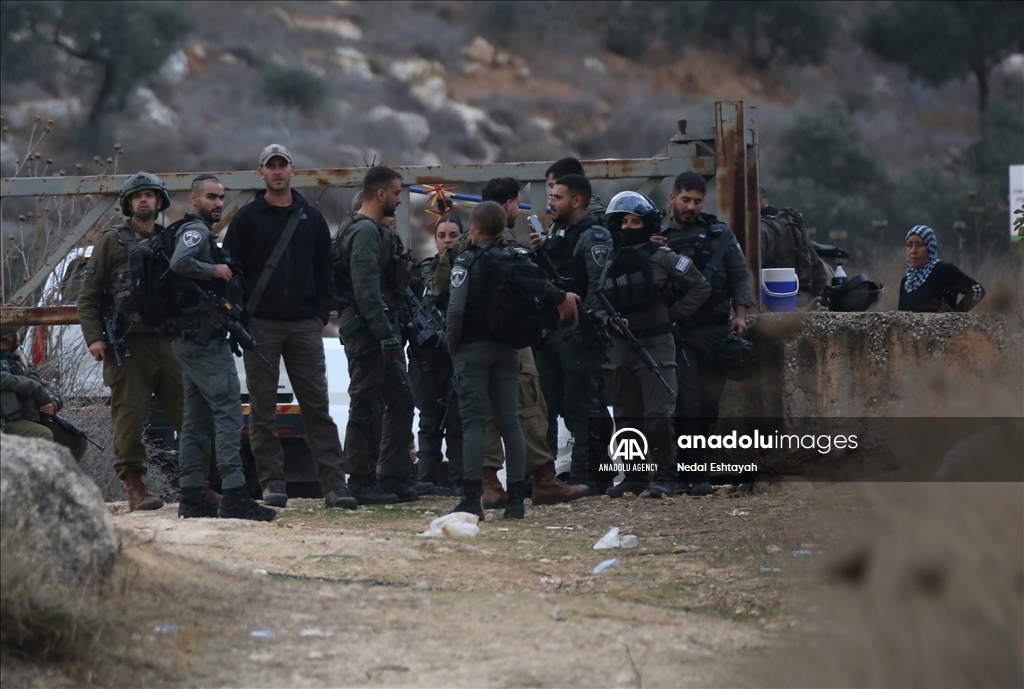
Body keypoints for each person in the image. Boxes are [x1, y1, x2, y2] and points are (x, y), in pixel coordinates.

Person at [223, 144, 354, 510]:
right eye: (272, 166)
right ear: (261, 172)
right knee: (262, 410)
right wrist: (241, 315)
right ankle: (272, 484)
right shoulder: (247, 219)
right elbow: (231, 268)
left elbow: (324, 269)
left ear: (293, 170)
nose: (278, 171)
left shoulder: (311, 218)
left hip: (304, 325)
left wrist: (319, 315)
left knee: (317, 407)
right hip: (261, 325)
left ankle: (335, 486)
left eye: (283, 165)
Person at [168, 175, 276, 521]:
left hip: (192, 340)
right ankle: (234, 495)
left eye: (221, 198)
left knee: (195, 419)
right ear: (194, 199)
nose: (218, 203)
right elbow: (180, 263)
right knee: (228, 412)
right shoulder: (195, 232)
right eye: (211, 197)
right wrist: (213, 269)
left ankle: (191, 495)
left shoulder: (198, 231)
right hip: (203, 342)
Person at [477, 177, 589, 507]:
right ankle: (543, 479)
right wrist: (559, 296)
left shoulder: (467, 247)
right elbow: (527, 278)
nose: (518, 210)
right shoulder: (505, 245)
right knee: (529, 403)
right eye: (516, 204)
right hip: (511, 336)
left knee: (485, 409)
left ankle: (490, 483)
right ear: (508, 205)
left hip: (477, 339)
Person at [76, 172, 184, 511]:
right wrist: (95, 338)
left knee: (191, 415)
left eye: (150, 195)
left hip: (168, 342)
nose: (144, 200)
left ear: (159, 201)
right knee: (129, 419)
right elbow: (88, 297)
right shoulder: (112, 241)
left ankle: (199, 485)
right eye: (138, 196)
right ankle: (135, 488)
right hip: (129, 345)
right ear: (128, 203)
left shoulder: (169, 239)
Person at [598, 192, 711, 498]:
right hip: (620, 345)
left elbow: (700, 287)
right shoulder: (608, 261)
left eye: (635, 222)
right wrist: (607, 320)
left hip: (656, 343)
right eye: (623, 221)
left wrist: (673, 315)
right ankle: (634, 476)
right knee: (626, 416)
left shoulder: (662, 257)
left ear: (647, 224)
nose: (628, 227)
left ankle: (666, 475)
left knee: (658, 416)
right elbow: (594, 299)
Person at [333, 165, 420, 504]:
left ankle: (392, 475)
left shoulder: (373, 230)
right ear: (380, 194)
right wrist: (385, 335)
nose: (399, 200)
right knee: (365, 403)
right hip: (367, 330)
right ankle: (361, 479)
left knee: (401, 399)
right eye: (396, 193)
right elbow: (366, 289)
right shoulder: (364, 232)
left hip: (379, 328)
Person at [661, 172, 752, 496]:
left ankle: (697, 470)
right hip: (679, 332)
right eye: (686, 200)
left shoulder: (719, 234)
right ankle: (690, 474)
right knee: (687, 404)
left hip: (715, 330)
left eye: (697, 201)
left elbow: (739, 276)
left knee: (709, 405)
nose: (691, 207)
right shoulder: (660, 236)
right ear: (673, 198)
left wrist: (740, 315)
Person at [445, 202, 529, 519]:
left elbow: (456, 309)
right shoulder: (516, 258)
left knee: (474, 424)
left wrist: (452, 344)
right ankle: (517, 500)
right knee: (511, 422)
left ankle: (471, 499)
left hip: (472, 348)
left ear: (475, 227)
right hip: (508, 349)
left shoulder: (466, 260)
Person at [534, 174, 614, 490]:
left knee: (583, 408)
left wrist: (585, 326)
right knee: (547, 406)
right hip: (551, 332)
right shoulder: (558, 235)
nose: (550, 203)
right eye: (551, 196)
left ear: (577, 201)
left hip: (578, 333)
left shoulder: (593, 235)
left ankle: (586, 475)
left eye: (557, 197)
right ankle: (546, 477)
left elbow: (597, 287)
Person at [409, 214, 465, 496]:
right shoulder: (423, 271)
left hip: (458, 353)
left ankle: (458, 480)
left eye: (453, 236)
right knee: (429, 419)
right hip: (428, 356)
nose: (447, 241)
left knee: (457, 419)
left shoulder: (467, 268)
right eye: (442, 236)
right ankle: (426, 478)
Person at [1, 325, 88, 461]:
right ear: (6, 337)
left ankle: (61, 475)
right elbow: (6, 380)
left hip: (29, 417)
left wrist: (53, 402)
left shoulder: (17, 359)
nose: (18, 336)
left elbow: (39, 383)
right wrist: (36, 390)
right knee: (42, 435)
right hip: (7, 422)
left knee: (76, 439)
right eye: (15, 333)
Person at [758, 186, 828, 305]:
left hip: (770, 300)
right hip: (802, 298)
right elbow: (817, 268)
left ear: (758, 199)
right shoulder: (793, 223)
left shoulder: (758, 230)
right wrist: (814, 300)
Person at [898, 225, 985, 313]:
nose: (913, 251)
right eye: (909, 245)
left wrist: (954, 315)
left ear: (930, 248)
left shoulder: (942, 271)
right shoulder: (907, 281)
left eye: (919, 245)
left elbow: (977, 290)